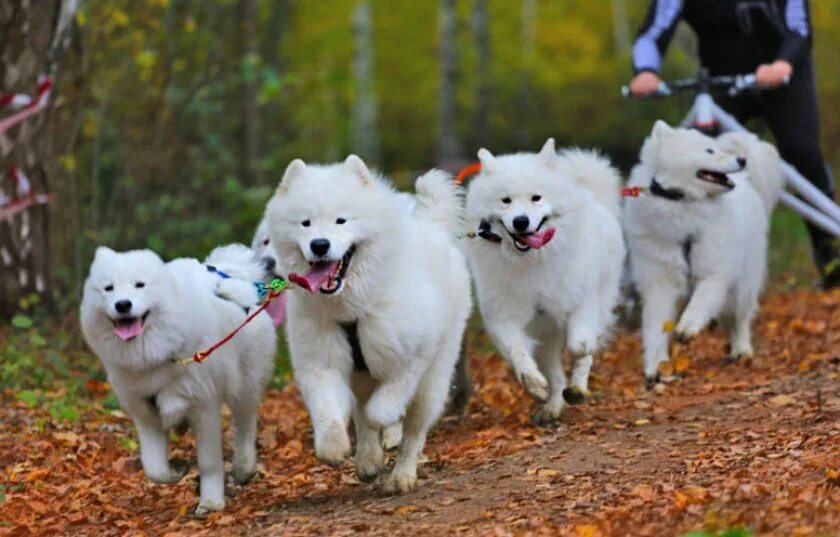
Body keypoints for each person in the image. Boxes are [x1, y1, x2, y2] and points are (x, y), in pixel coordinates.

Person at [628, 0, 840, 289]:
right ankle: (696, 268)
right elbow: (653, 32)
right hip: (719, 82)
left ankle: (826, 246)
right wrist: (646, 70)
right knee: (696, 166)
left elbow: (800, 30)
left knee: (801, 151)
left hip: (784, 77)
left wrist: (783, 64)